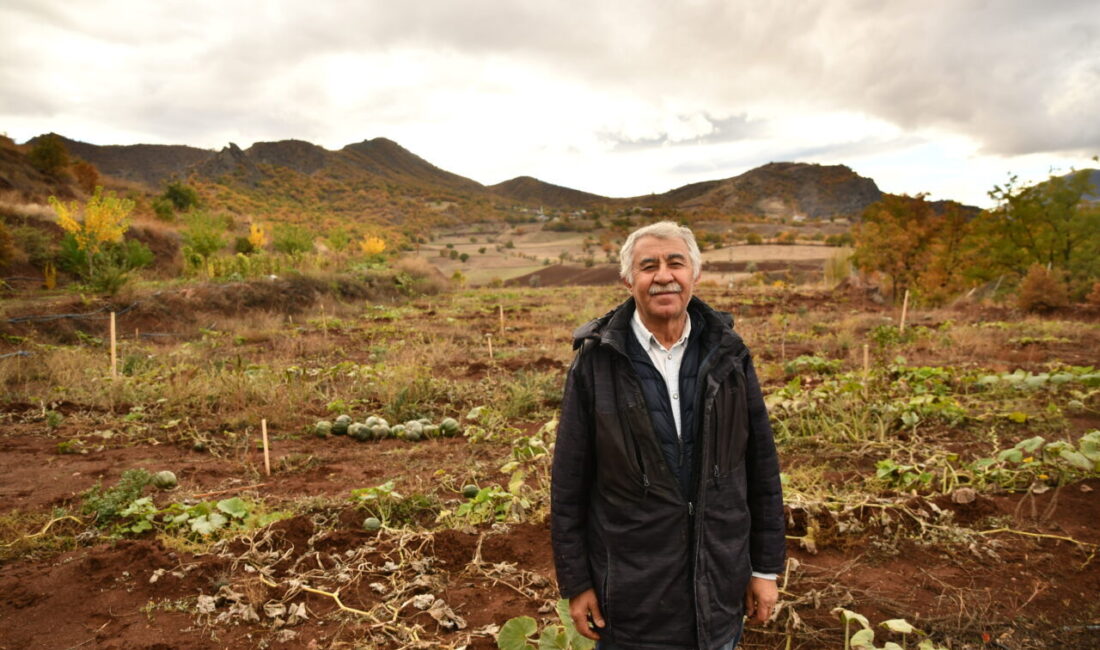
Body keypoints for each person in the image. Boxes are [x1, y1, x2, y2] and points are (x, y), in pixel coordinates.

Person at [550, 221, 786, 649]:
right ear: (628, 279)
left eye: (675, 263)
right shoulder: (596, 364)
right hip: (631, 597)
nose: (663, 275)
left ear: (694, 273)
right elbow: (569, 485)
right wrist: (577, 581)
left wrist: (765, 569)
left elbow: (761, 469)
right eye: (648, 266)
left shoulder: (730, 356)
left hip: (719, 586)